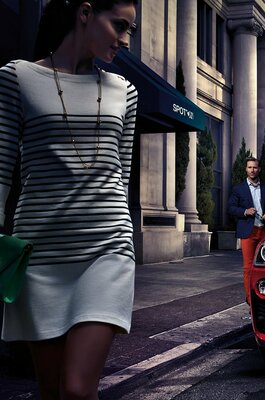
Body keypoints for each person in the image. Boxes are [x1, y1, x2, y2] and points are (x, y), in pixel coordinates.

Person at [0, 1, 138, 399]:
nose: (125, 40)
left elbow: (121, 176)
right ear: (85, 12)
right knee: (52, 390)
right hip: (39, 256)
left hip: (106, 250)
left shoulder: (124, 92)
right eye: (119, 26)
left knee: (78, 389)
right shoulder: (17, 77)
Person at [227, 157, 265, 301]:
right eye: (249, 167)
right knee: (248, 267)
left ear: (259, 169)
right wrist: (245, 211)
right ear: (246, 169)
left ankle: (264, 295)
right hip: (248, 231)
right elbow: (231, 208)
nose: (252, 170)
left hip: (264, 231)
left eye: (255, 167)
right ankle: (250, 300)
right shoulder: (238, 189)